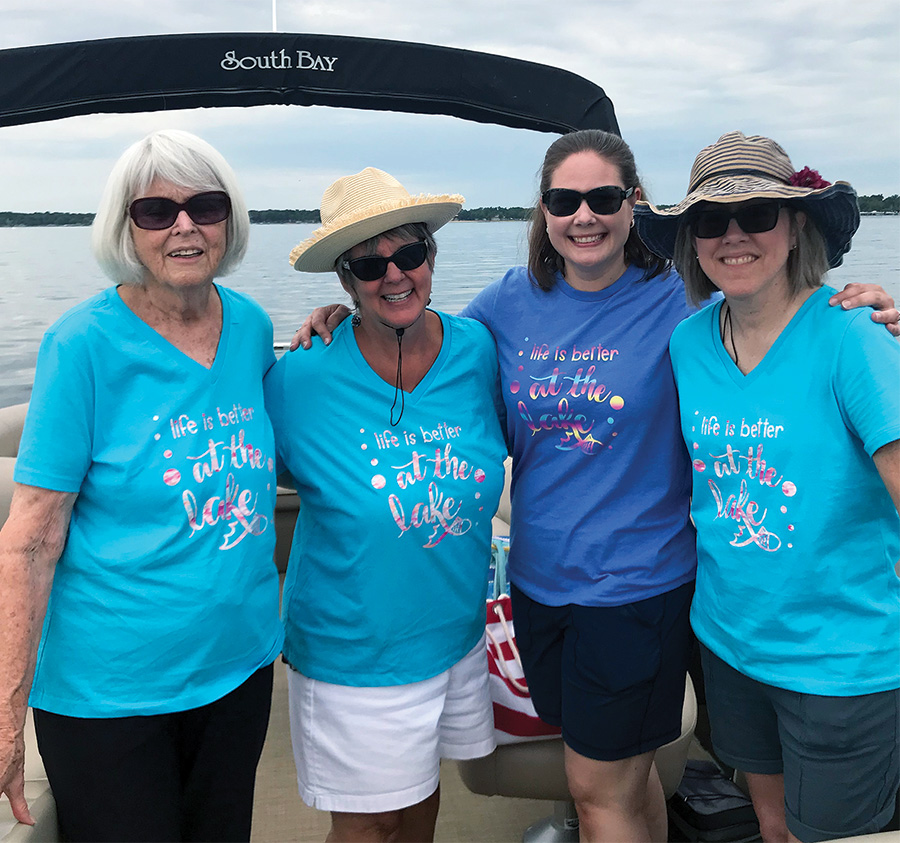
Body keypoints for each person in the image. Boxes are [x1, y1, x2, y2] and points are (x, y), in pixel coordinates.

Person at [293, 131, 897, 842]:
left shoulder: (686, 305)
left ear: (633, 206)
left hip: (642, 587)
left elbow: (785, 312)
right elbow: (428, 340)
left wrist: (870, 310)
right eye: (565, 199)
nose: (585, 215)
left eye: (604, 198)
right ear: (543, 212)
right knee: (636, 783)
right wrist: (343, 321)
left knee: (595, 788)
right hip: (545, 587)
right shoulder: (509, 308)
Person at [0, 129, 282, 843]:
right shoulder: (81, 345)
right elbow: (30, 540)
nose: (185, 225)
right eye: (156, 211)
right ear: (127, 227)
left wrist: (334, 325)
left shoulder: (250, 326)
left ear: (229, 220)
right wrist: (6, 717)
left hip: (237, 671)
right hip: (111, 694)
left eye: (205, 206)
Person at [634, 131, 900, 843]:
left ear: (796, 225)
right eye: (711, 221)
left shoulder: (854, 334)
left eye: (757, 214)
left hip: (841, 661)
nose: (733, 235)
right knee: (772, 826)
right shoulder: (687, 342)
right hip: (729, 642)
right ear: (691, 240)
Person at [264, 167, 507, 842]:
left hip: (455, 636)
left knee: (422, 801)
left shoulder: (478, 350)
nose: (393, 274)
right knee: (371, 825)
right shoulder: (300, 376)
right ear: (345, 280)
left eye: (409, 253)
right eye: (370, 263)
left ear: (432, 255)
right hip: (355, 651)